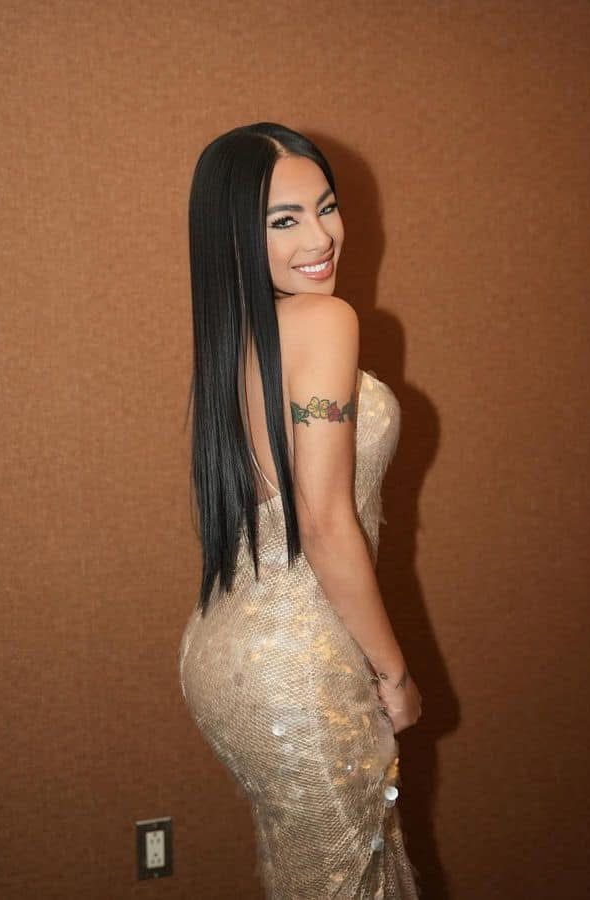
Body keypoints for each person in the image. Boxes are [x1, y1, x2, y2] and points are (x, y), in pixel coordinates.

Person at [178, 122, 422, 898]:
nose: (321, 238)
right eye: (284, 220)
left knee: (313, 874)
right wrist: (395, 673)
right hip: (297, 661)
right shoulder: (323, 320)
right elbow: (322, 522)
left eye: (327, 207)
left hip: (229, 648)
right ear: (234, 236)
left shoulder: (238, 337)